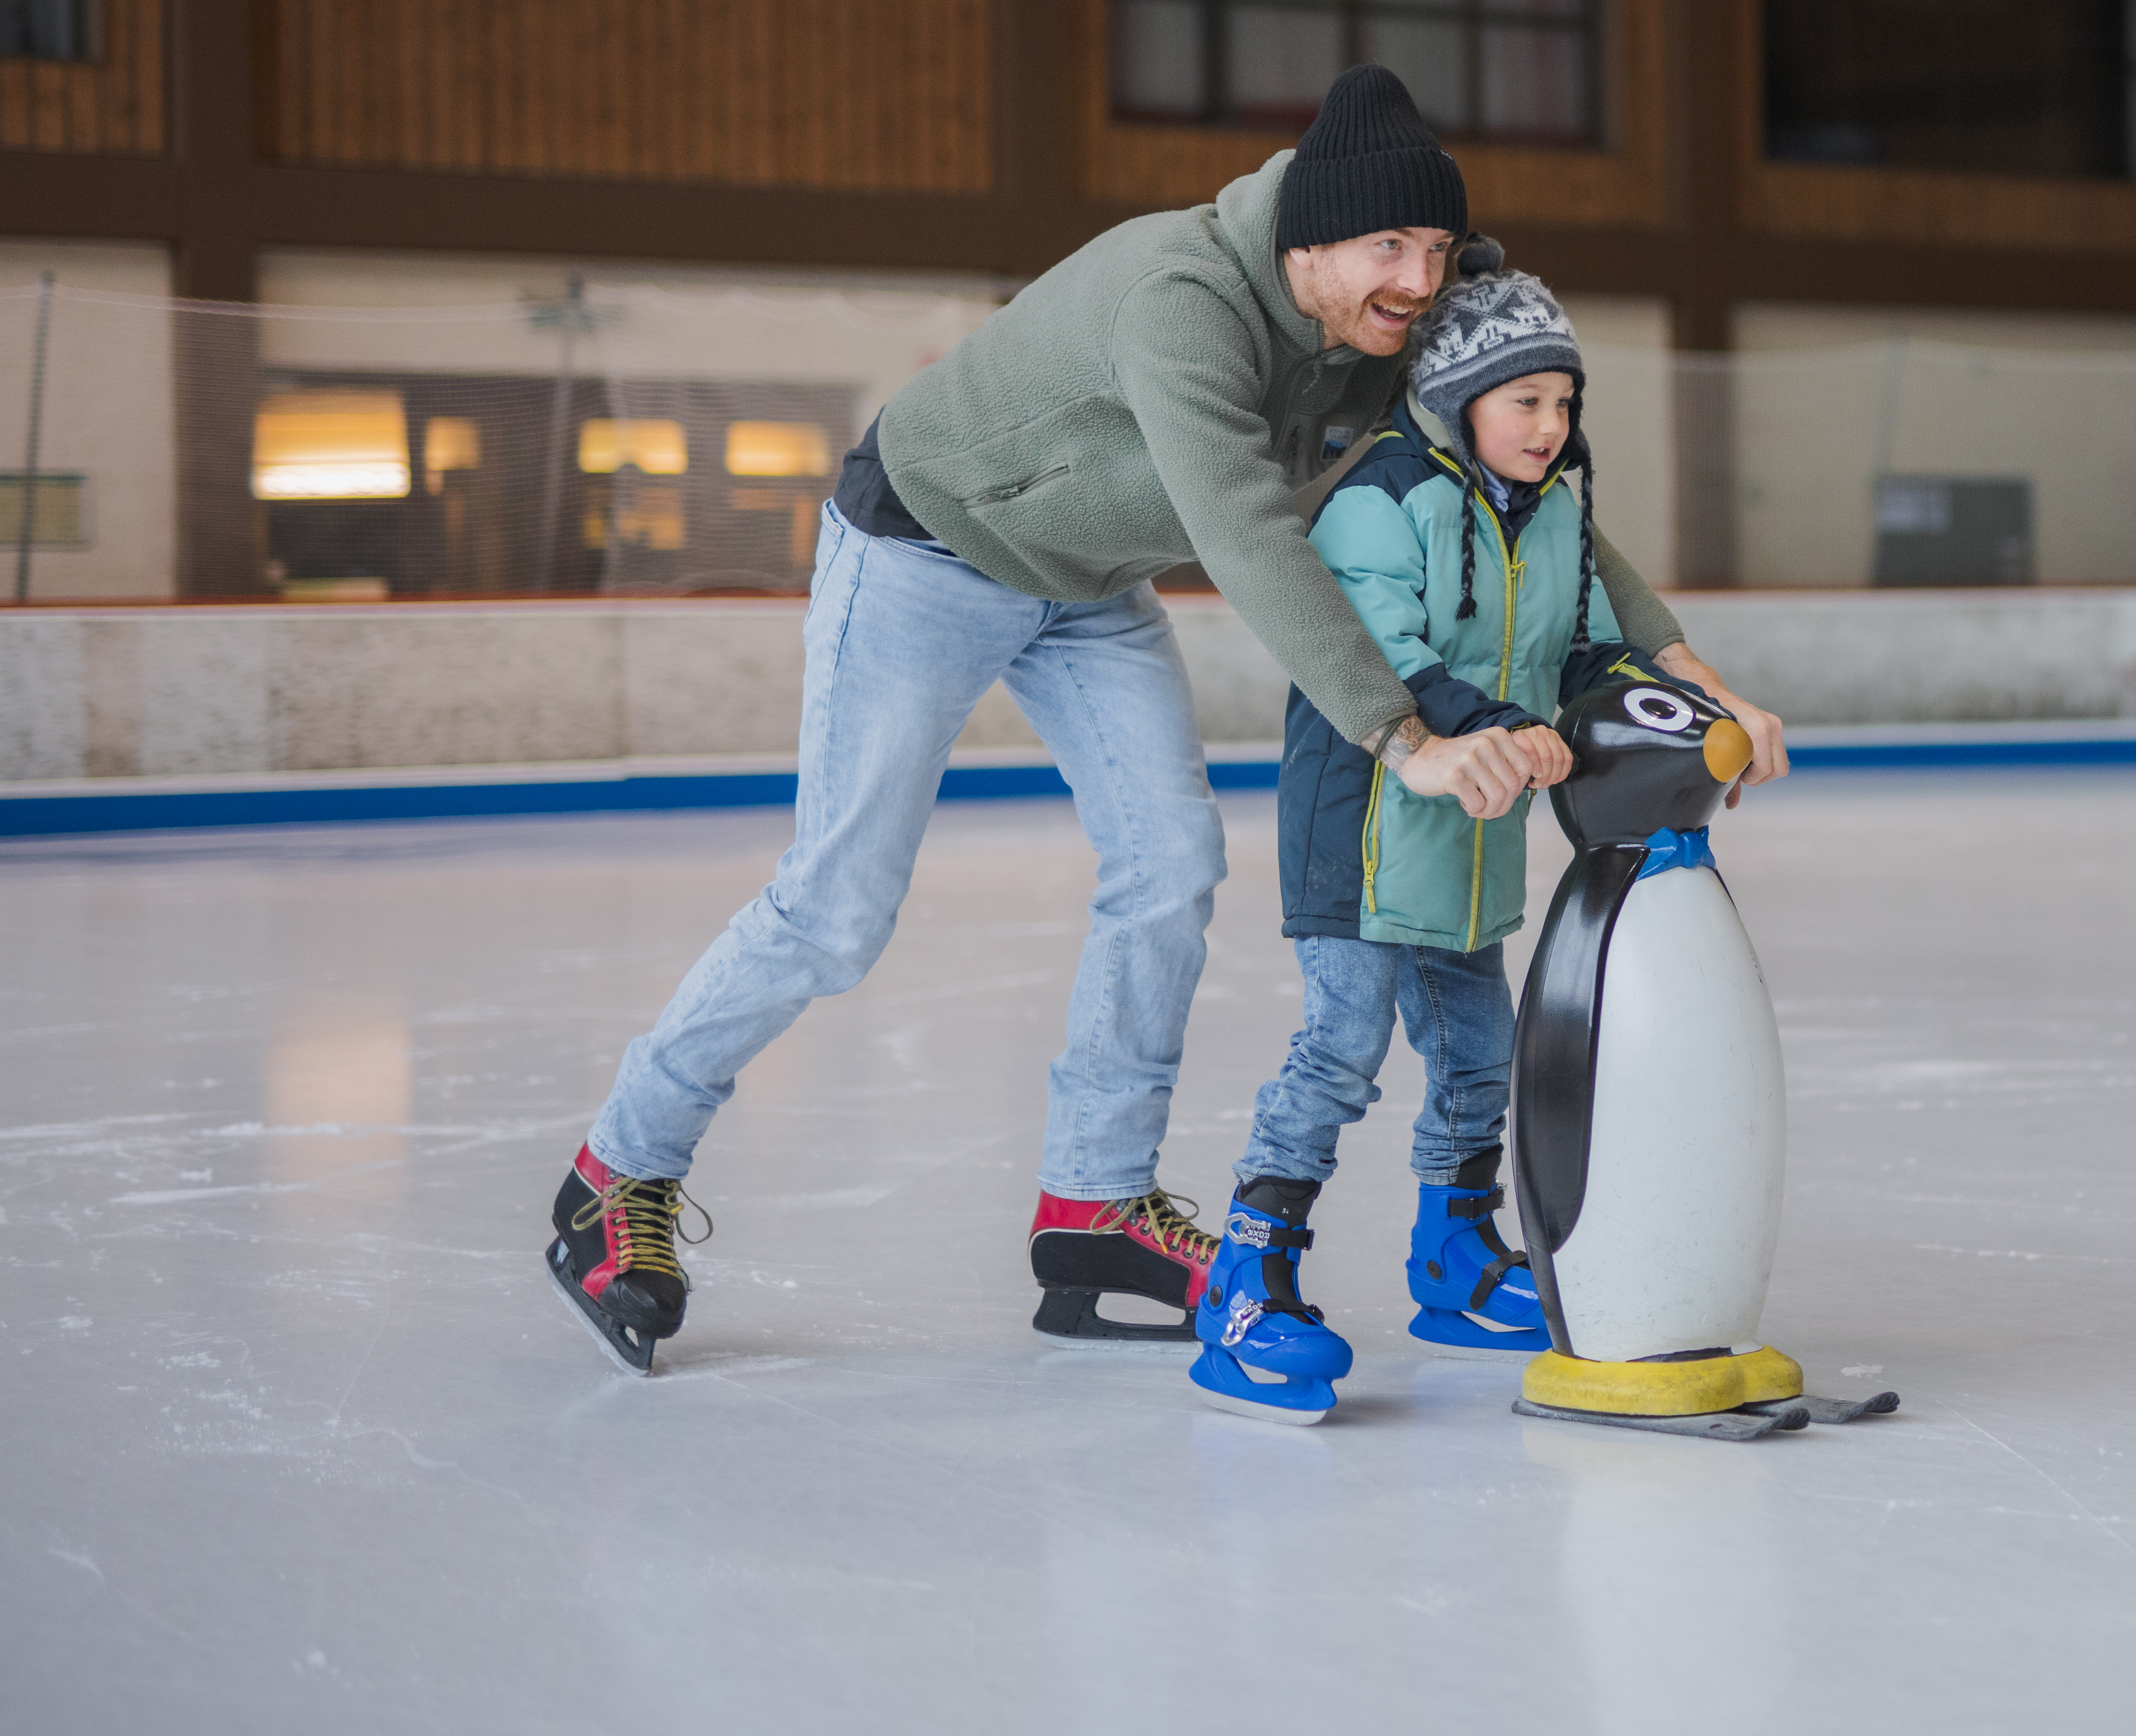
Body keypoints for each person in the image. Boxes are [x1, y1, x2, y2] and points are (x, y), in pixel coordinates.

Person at [543, 67, 1788, 1376]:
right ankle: (615, 1175)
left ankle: (1094, 1209)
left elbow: (1531, 494)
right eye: (1389, 248)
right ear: (1310, 242)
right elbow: (1247, 530)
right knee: (837, 906)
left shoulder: (1386, 329)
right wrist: (1403, 735)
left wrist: (1684, 664)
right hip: (924, 547)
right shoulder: (1179, 299)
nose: (1419, 282)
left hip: (1083, 584)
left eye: (1434, 249)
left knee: (1170, 867)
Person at [1190, 256, 1674, 1423]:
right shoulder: (1383, 497)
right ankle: (1247, 1284)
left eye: (1565, 404)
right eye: (1528, 403)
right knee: (1343, 1047)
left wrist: (1657, 712)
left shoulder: (1555, 510)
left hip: (1470, 835)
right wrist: (1502, 725)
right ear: (1461, 396)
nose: (1552, 428)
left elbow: (1588, 651)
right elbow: (1388, 662)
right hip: (1358, 830)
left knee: (1477, 1053)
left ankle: (1453, 1264)